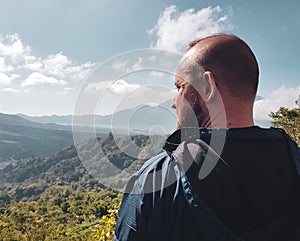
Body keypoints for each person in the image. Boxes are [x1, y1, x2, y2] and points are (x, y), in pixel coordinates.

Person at [114, 34, 300, 241]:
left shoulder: (156, 181)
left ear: (207, 87)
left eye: (180, 87)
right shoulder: (294, 160)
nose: (174, 102)